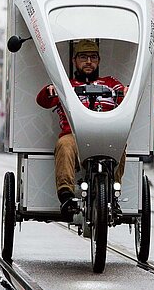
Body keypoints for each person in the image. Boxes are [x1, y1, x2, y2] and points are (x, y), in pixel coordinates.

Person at [36, 39, 127, 215]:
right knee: (64, 144)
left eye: (93, 57)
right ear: (74, 61)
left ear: (99, 61)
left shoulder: (110, 83)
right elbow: (42, 101)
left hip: (106, 136)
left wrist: (126, 91)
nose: (88, 62)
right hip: (74, 137)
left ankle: (114, 194)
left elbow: (124, 96)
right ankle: (66, 195)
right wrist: (49, 91)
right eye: (83, 57)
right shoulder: (65, 84)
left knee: (121, 143)